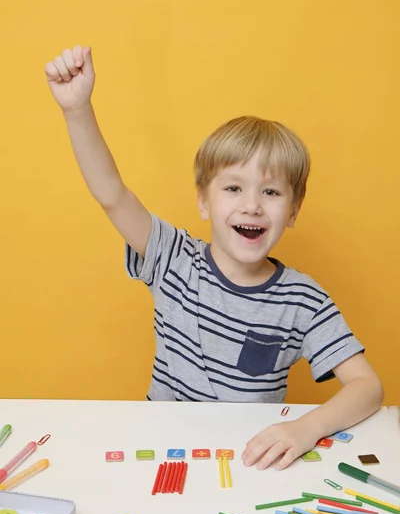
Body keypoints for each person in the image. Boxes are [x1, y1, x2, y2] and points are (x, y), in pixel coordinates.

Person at [45, 45, 384, 471]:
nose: (252, 206)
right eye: (233, 188)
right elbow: (112, 194)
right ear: (203, 202)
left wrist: (305, 428)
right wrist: (77, 109)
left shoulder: (304, 300)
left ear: (293, 211)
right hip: (160, 454)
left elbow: (368, 387)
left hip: (248, 464)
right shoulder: (172, 258)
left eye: (272, 192)